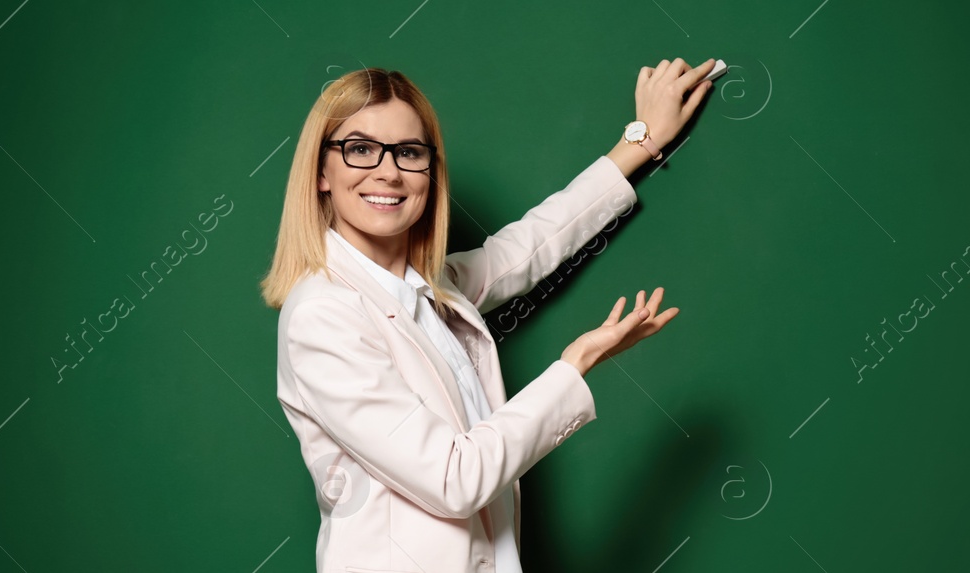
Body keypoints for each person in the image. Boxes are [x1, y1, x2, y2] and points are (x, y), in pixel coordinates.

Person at [260, 58, 715, 573]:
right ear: (322, 171)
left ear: (430, 171)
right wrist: (575, 364)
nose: (387, 171)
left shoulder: (430, 289)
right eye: (360, 149)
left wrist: (642, 140)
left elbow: (528, 245)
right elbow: (454, 479)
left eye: (409, 152)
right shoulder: (322, 316)